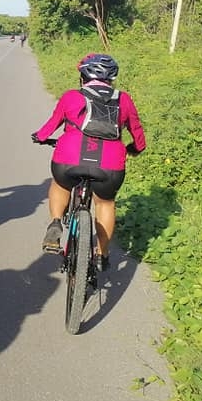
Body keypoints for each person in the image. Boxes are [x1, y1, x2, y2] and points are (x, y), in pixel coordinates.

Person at [31, 53, 146, 269]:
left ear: (83, 77)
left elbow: (50, 126)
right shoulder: (125, 100)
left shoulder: (71, 97)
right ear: (111, 79)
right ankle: (102, 253)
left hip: (69, 161)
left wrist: (40, 136)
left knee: (61, 184)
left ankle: (56, 222)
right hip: (110, 167)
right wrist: (134, 149)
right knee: (105, 202)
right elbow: (138, 135)